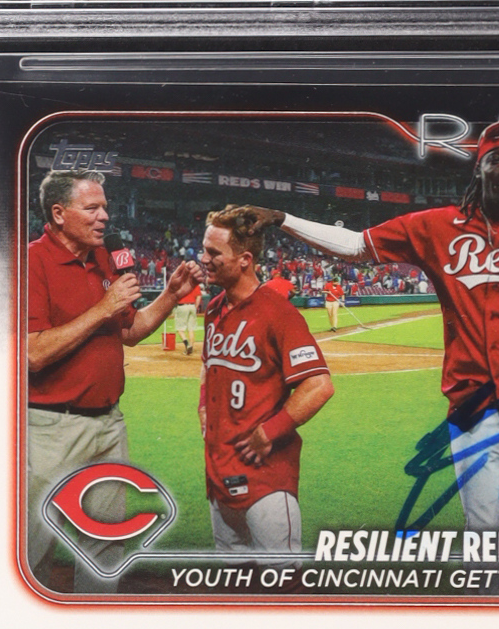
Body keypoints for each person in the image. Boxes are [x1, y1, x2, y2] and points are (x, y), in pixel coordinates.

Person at [225, 121, 499, 592]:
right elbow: (355, 246)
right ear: (479, 168)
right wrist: (283, 218)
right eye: (496, 159)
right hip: (476, 408)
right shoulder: (436, 227)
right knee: (483, 539)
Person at [27, 169, 202, 593]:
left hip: (109, 424)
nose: (104, 216)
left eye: (105, 207)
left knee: (106, 544)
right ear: (58, 213)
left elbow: (130, 331)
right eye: (92, 208)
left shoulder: (105, 258)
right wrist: (103, 308)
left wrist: (170, 296)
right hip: (50, 427)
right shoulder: (32, 261)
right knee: (35, 544)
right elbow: (33, 353)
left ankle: (94, 624)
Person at [198, 209, 335, 565]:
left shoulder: (279, 312)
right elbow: (208, 365)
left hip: (267, 479)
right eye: (203, 250)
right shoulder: (215, 309)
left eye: (213, 253)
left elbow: (318, 385)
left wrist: (269, 432)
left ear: (245, 260)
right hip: (219, 472)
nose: (203, 259)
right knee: (232, 583)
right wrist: (203, 405)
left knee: (282, 583)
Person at [174, 281, 201, 355]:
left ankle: (187, 344)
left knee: (180, 329)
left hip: (182, 306)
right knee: (191, 329)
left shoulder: (180, 283)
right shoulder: (194, 283)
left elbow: (174, 296)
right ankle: (191, 347)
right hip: (192, 306)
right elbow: (198, 296)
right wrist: (195, 307)